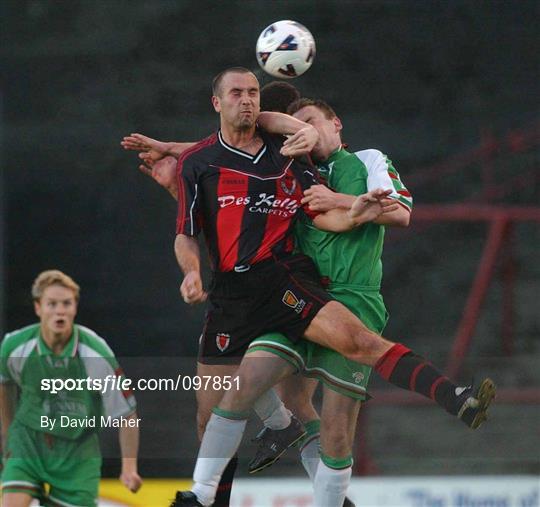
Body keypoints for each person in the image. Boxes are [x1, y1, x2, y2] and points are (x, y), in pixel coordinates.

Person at [163, 68, 495, 507]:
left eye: (315, 122)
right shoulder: (285, 163)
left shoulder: (362, 161)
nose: (307, 131)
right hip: (260, 294)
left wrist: (352, 207)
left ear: (336, 124)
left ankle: (450, 398)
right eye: (236, 93)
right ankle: (220, 484)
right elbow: (221, 168)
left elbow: (396, 214)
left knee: (336, 427)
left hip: (337, 296)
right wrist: (173, 156)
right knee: (243, 395)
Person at [0, 270, 142, 507]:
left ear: (75, 307)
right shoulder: (15, 346)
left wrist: (129, 467)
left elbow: (128, 415)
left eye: (66, 303)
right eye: (51, 304)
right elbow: (3, 384)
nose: (59, 310)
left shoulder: (95, 353)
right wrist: (6, 437)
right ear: (38, 308)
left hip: (78, 451)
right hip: (29, 443)